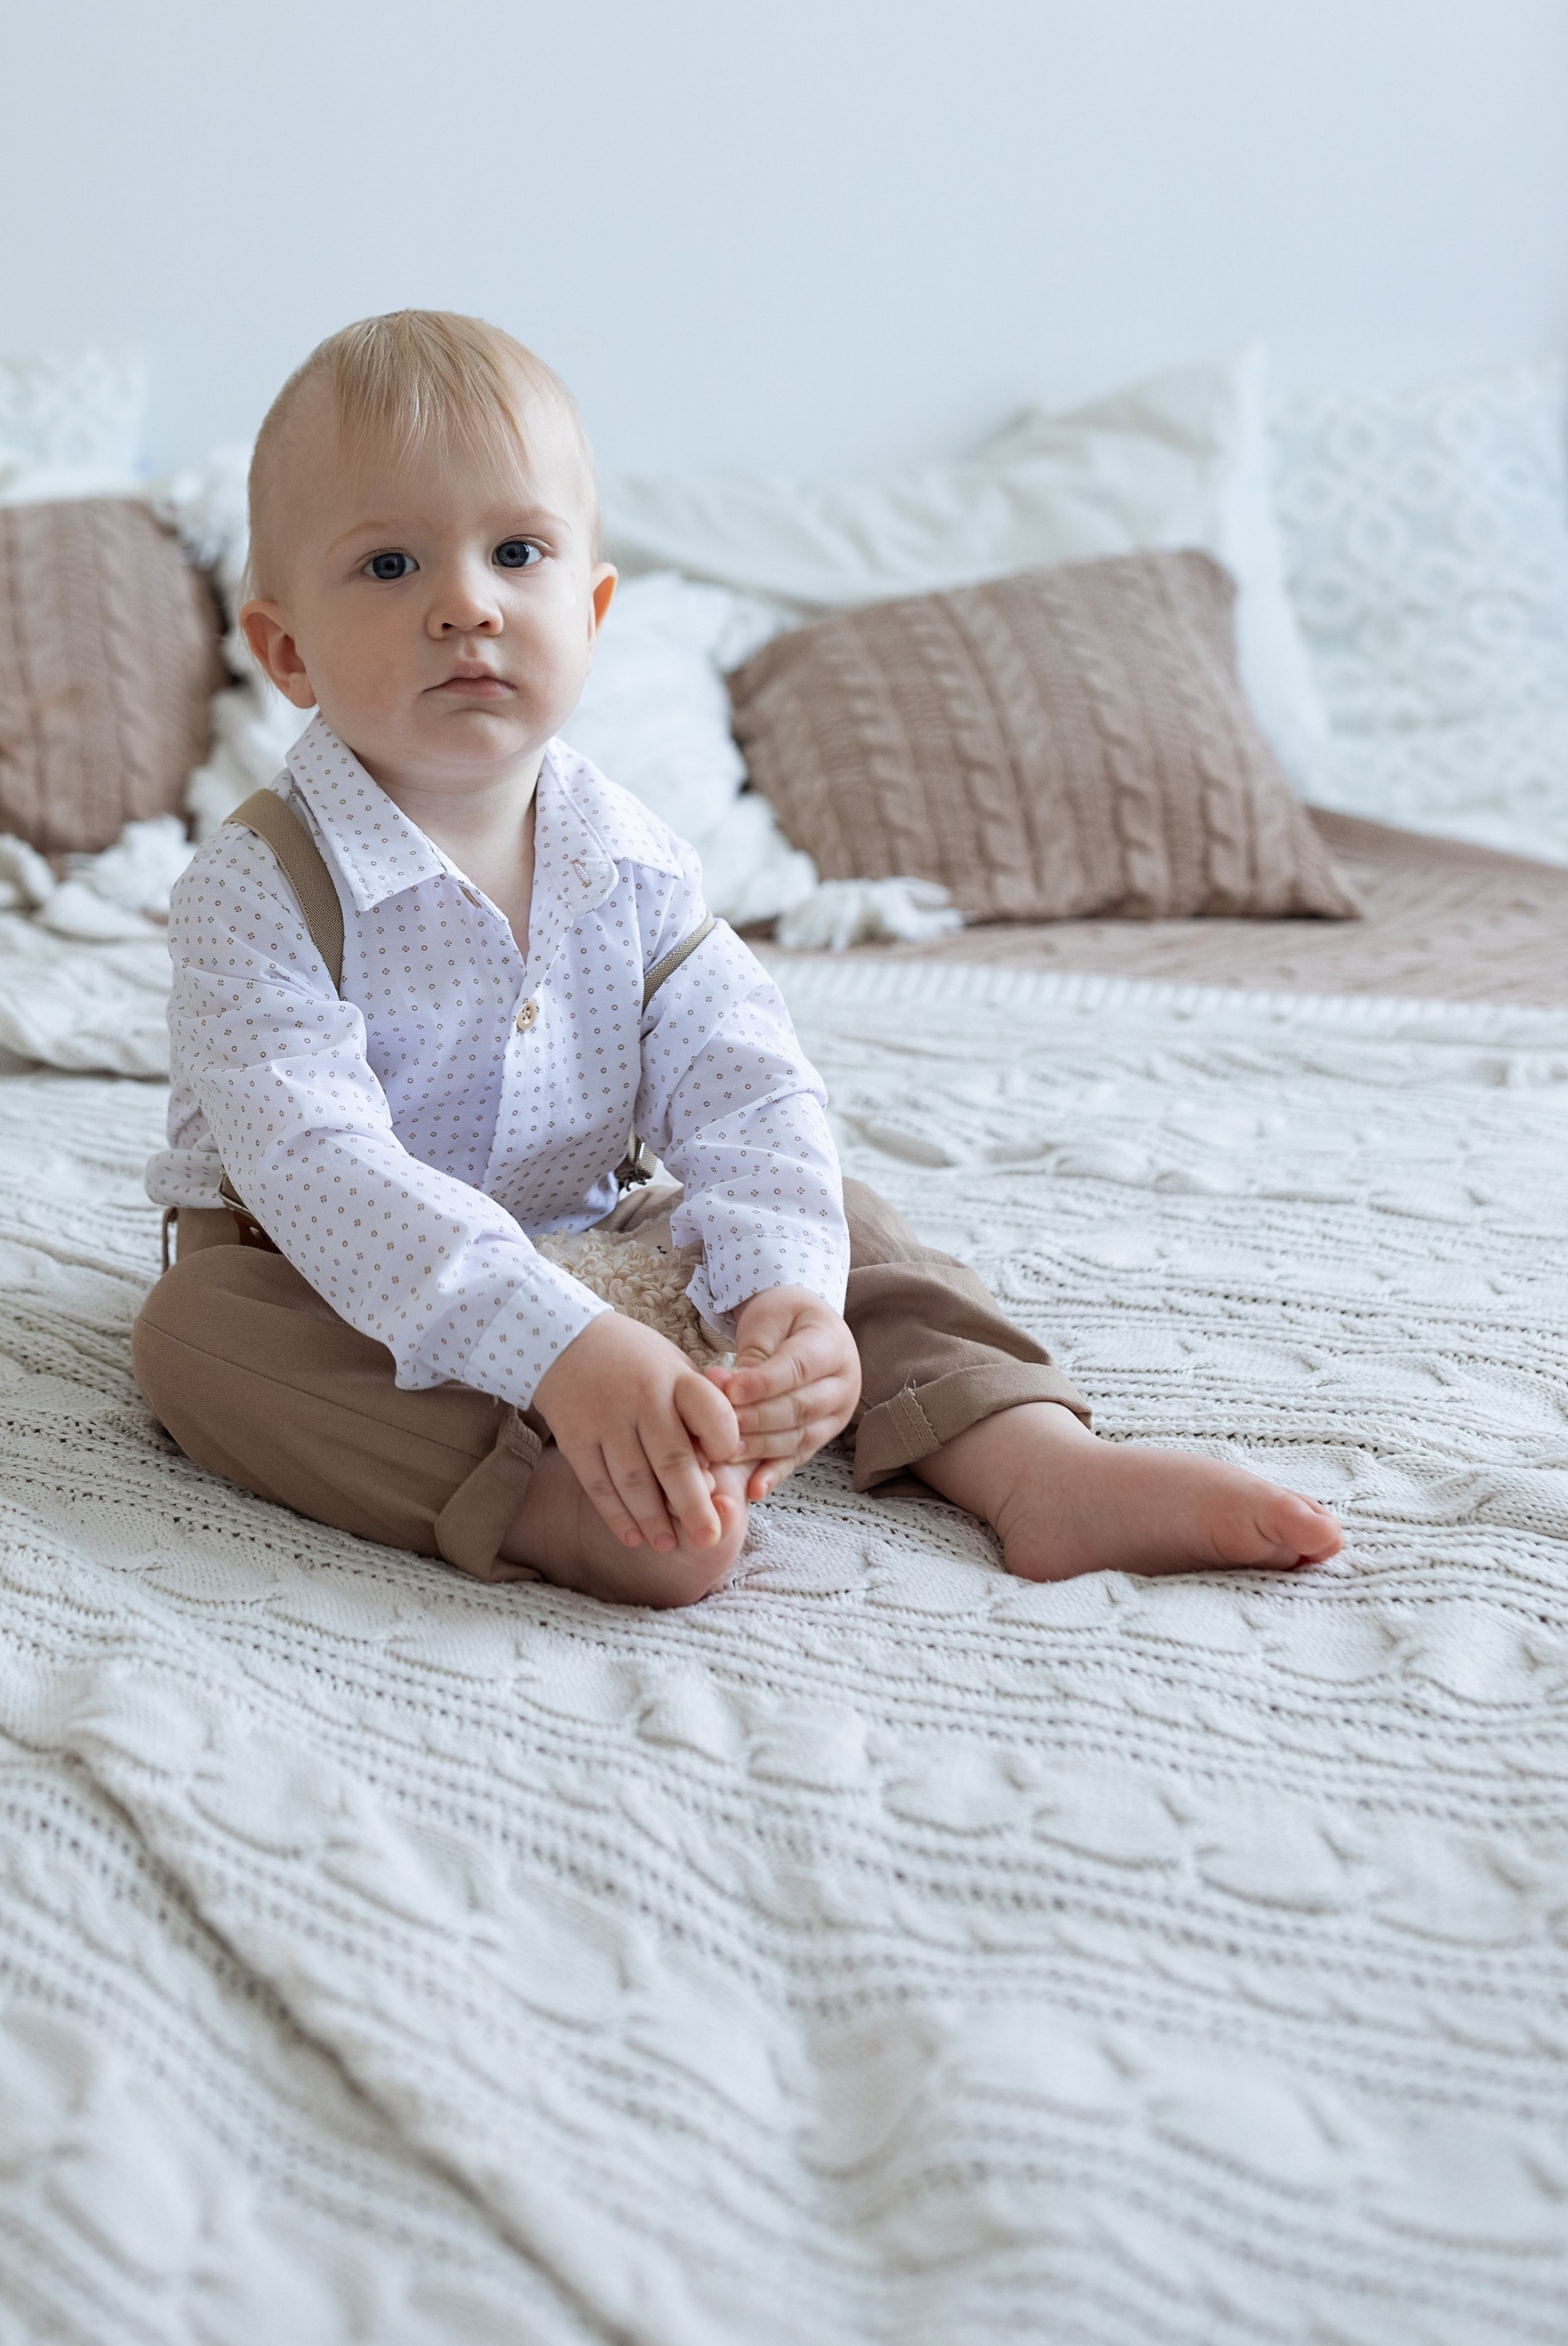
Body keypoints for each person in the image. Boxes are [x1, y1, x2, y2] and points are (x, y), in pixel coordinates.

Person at [134, 310, 1342, 1608]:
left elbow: (743, 1080)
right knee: (196, 1343)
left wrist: (787, 1302)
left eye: (519, 551)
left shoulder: (632, 861)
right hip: (337, 1279)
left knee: (838, 1209)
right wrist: (562, 1350)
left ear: (591, 609)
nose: (466, 604)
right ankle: (549, 1502)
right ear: (287, 652)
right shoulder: (254, 892)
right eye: (389, 565)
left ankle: (1030, 1459)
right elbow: (326, 1174)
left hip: (590, 1231)